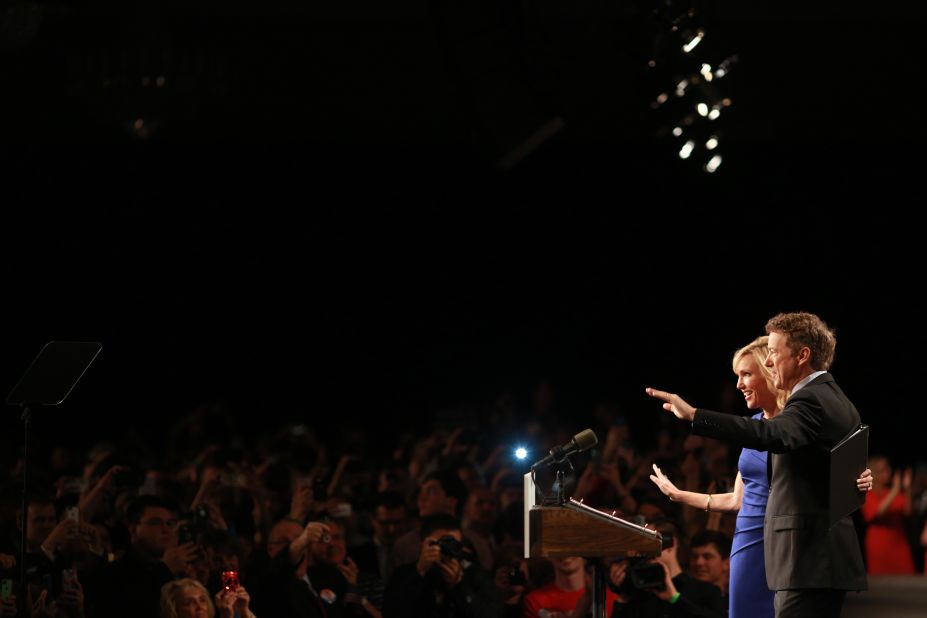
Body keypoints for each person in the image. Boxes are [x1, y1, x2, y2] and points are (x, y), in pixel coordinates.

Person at [646, 312, 868, 618]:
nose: (769, 362)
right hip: (810, 557)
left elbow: (771, 434)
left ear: (803, 355)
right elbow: (838, 468)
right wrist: (856, 480)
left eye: (774, 353)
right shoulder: (838, 399)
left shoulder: (810, 402)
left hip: (804, 558)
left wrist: (695, 416)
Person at [860, 456, 915, 574]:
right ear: (874, 473)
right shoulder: (868, 494)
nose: (888, 472)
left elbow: (907, 511)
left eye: (888, 468)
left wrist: (907, 488)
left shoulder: (890, 492)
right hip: (879, 546)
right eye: (883, 470)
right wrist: (895, 490)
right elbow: (877, 513)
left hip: (899, 544)